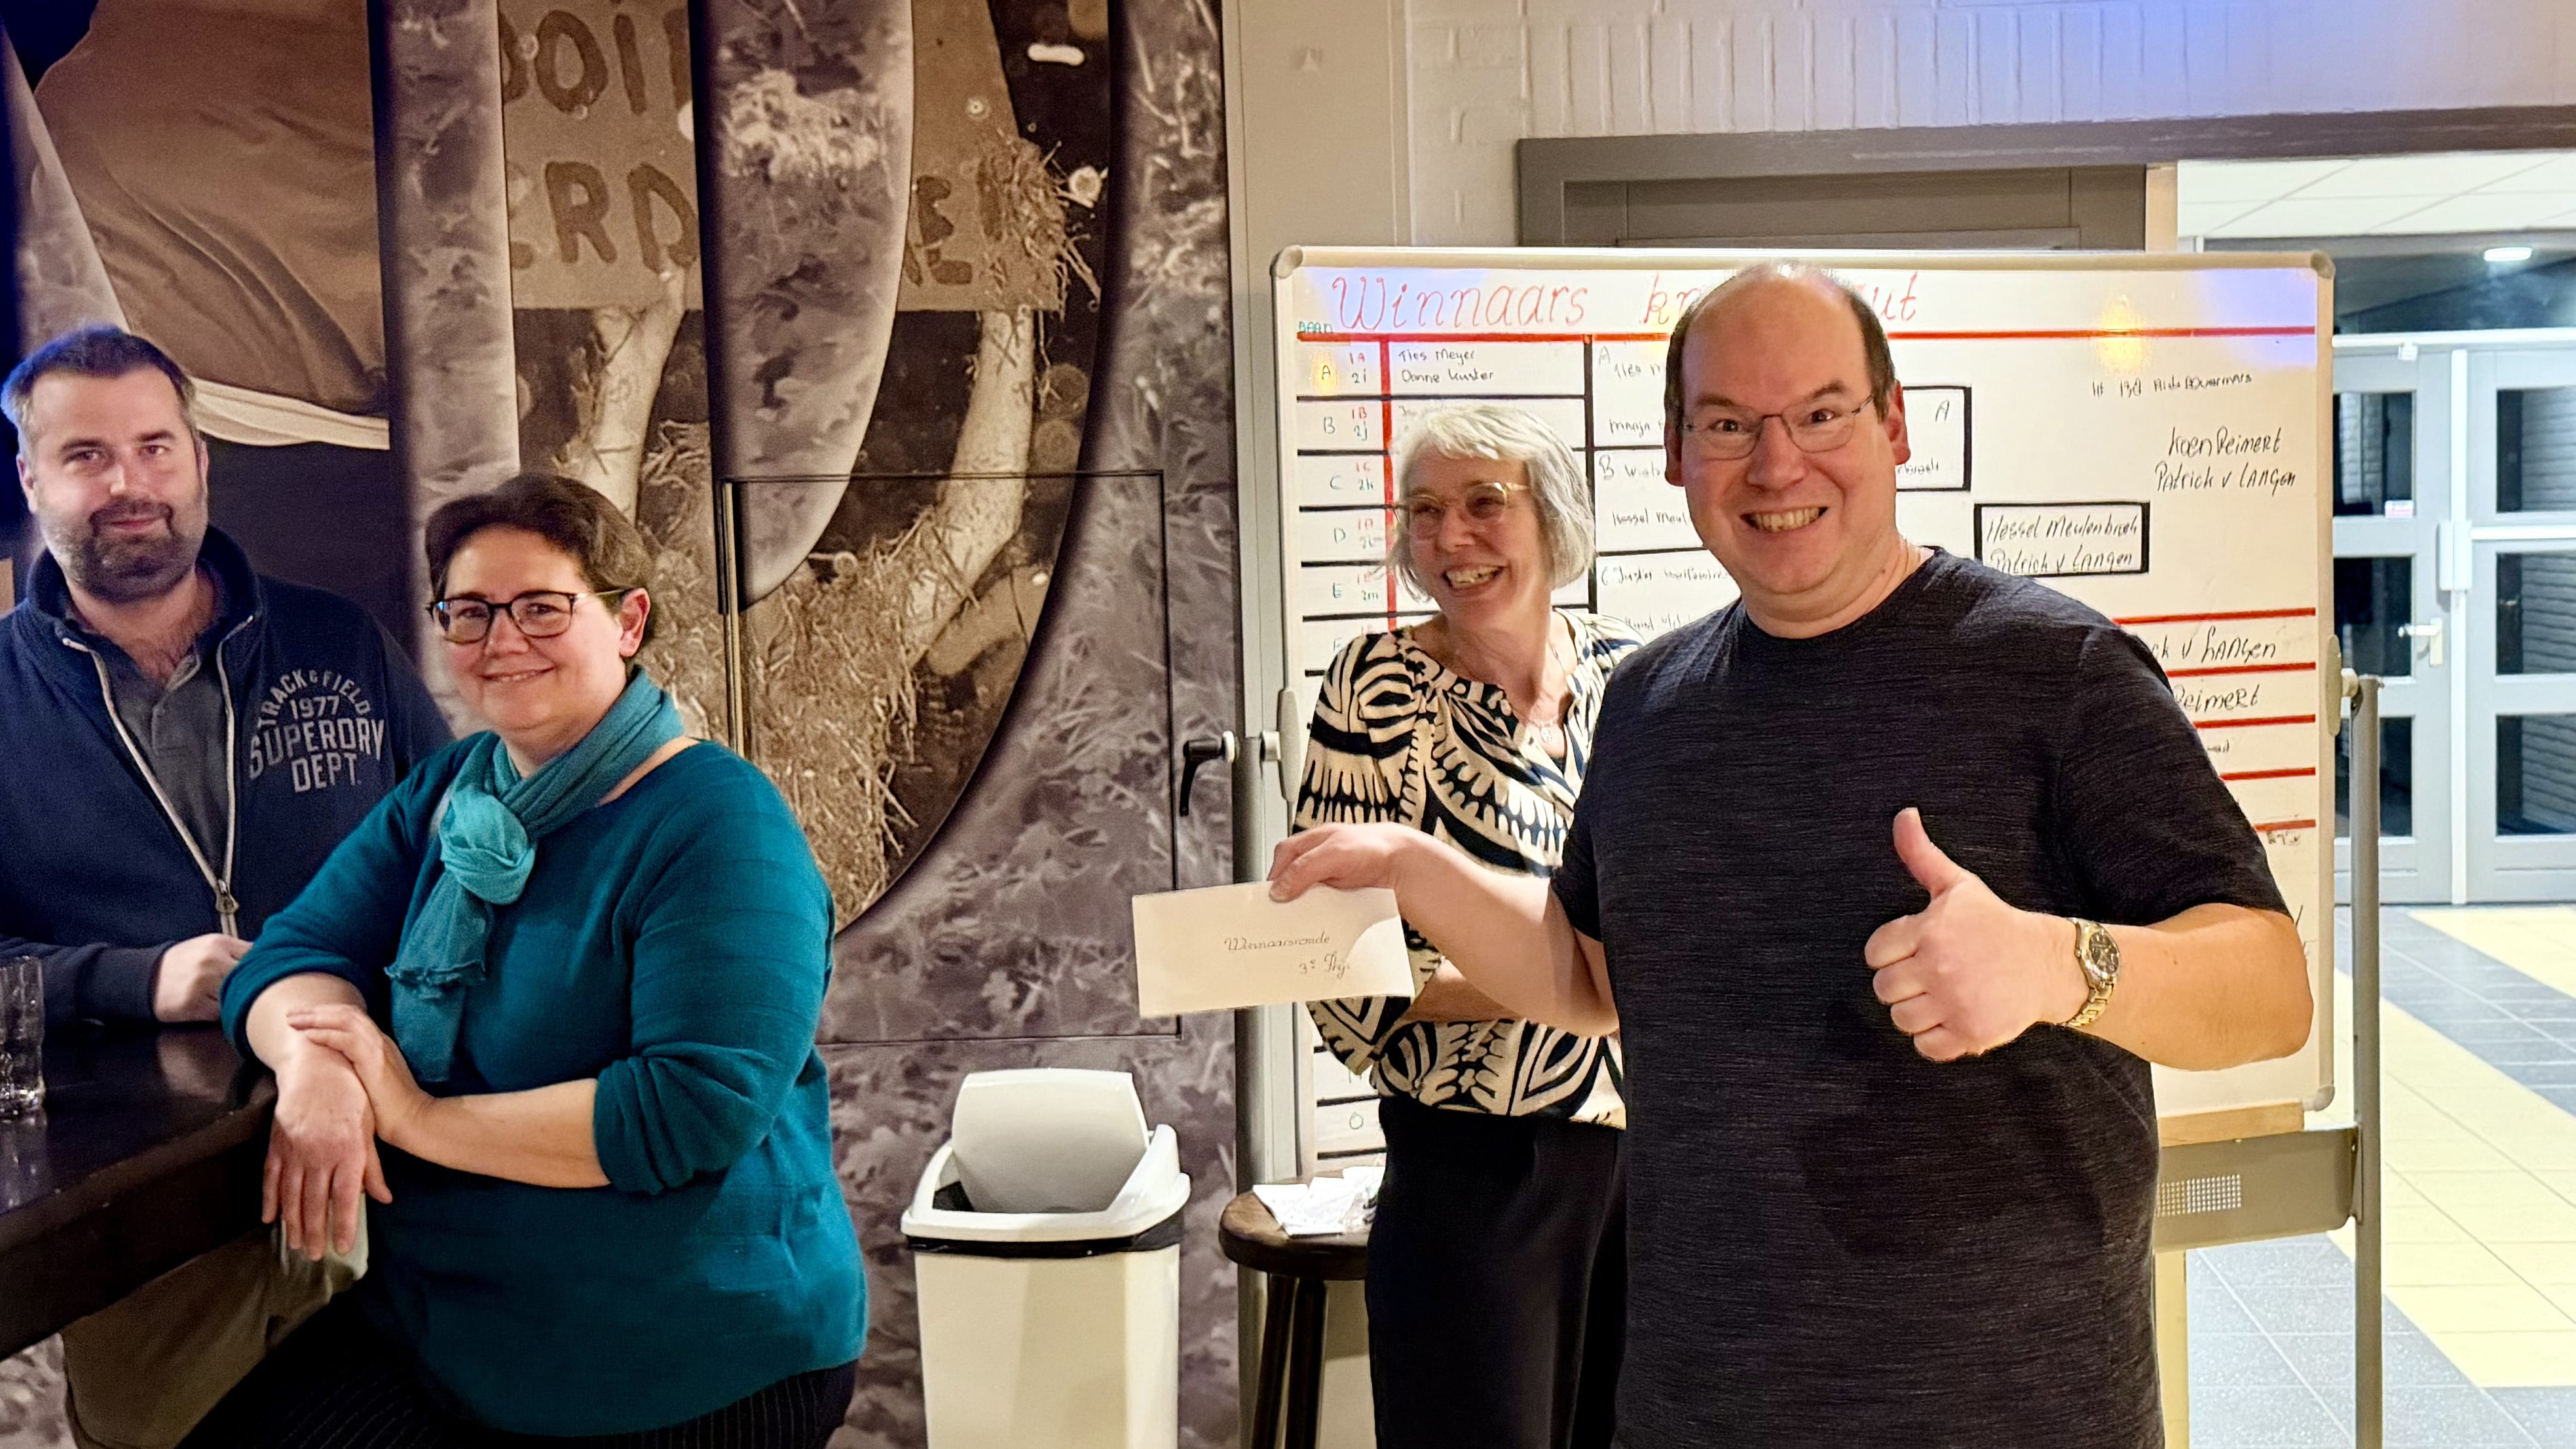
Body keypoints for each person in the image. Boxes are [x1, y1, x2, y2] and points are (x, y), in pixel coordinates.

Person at [1271, 263, 2314, 1447]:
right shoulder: (1650, 703)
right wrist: (1414, 866)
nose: (1775, 466)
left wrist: (2057, 966)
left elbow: (2269, 989)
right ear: (1676, 454)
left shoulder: (2054, 671)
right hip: (1699, 1409)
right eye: (1727, 425)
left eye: (1819, 414)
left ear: (1892, 425)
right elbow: (1592, 978)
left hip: (2005, 1413)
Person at [195, 472, 863, 1446]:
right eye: (469, 612)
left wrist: (416, 1118)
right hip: (454, 1317)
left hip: (689, 1346)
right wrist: (314, 1066)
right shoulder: (450, 791)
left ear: (628, 622)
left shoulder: (721, 824)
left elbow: (693, 1107)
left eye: (541, 607)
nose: (501, 640)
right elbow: (295, 950)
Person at [0, 324, 449, 1449]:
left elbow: (459, 870)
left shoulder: (341, 643)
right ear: (32, 479)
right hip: (152, 1228)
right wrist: (137, 979)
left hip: (391, 1174)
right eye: (87, 455)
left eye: (155, 447)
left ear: (201, 460)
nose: (129, 483)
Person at [1296, 403, 1633, 1449]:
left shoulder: (1634, 679)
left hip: (1655, 1164)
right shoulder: (1376, 688)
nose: (1450, 537)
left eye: (1485, 503)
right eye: (1425, 511)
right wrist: (1586, 985)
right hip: (1476, 1173)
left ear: (1553, 517)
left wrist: (1574, 976)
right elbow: (1343, 975)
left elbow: (1684, 931)